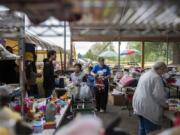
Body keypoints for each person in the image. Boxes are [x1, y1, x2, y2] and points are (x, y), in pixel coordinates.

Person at [132, 62, 168, 135]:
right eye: (163, 71)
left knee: (142, 128)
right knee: (151, 131)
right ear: (160, 69)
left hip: (138, 104)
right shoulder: (156, 77)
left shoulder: (146, 74)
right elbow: (159, 96)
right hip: (147, 107)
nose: (163, 74)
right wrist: (166, 105)